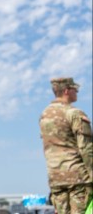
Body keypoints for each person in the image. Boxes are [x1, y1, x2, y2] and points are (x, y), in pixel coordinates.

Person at [39, 77, 92, 214]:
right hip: (77, 178)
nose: (77, 92)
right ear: (67, 90)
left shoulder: (44, 116)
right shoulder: (74, 113)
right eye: (75, 89)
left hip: (55, 178)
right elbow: (86, 148)